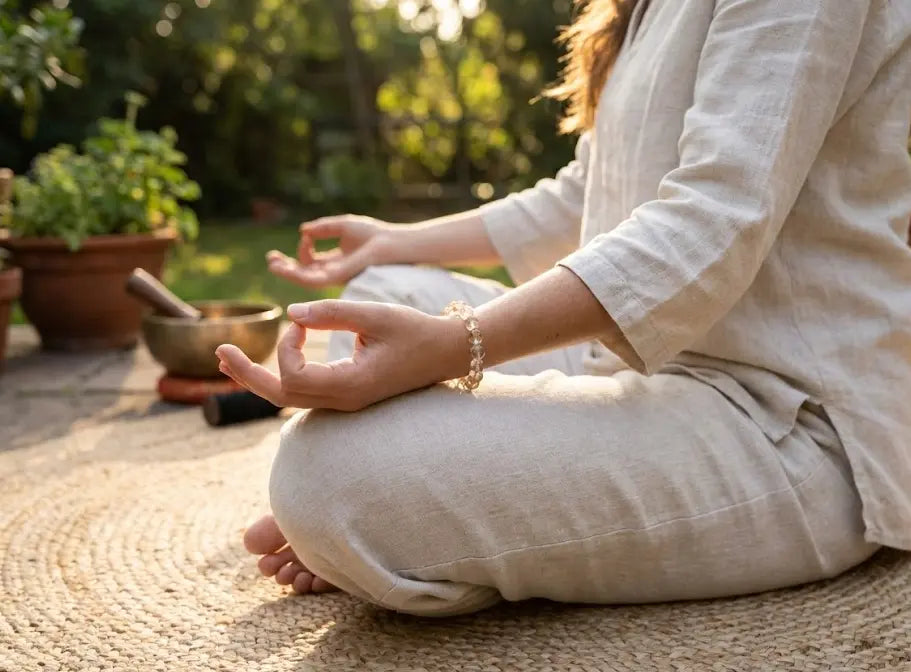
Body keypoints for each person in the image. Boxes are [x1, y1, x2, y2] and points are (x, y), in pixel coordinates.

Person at [216, 0, 911, 617]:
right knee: (381, 293)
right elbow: (582, 193)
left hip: (785, 422)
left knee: (327, 475)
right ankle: (422, 529)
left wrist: (456, 345)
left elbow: (714, 220)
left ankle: (397, 528)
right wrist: (393, 241)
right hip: (622, 365)